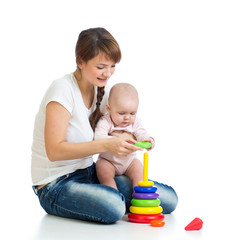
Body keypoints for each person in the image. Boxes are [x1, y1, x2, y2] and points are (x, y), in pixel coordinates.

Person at [31, 27, 178, 224]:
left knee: (168, 200)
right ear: (80, 61)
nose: (108, 73)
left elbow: (129, 125)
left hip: (90, 173)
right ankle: (110, 200)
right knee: (115, 206)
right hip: (55, 185)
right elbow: (54, 151)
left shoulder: (104, 92)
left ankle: (111, 198)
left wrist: (133, 141)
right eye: (101, 67)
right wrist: (108, 145)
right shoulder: (62, 90)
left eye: (112, 66)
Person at [95, 83, 154, 189]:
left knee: (139, 169)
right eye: (122, 113)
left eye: (132, 113)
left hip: (129, 162)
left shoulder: (134, 122)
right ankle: (113, 194)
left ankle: (139, 197)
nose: (127, 118)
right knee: (102, 169)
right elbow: (98, 137)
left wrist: (147, 139)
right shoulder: (105, 121)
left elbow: (141, 132)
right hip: (109, 161)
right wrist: (116, 140)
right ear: (109, 108)